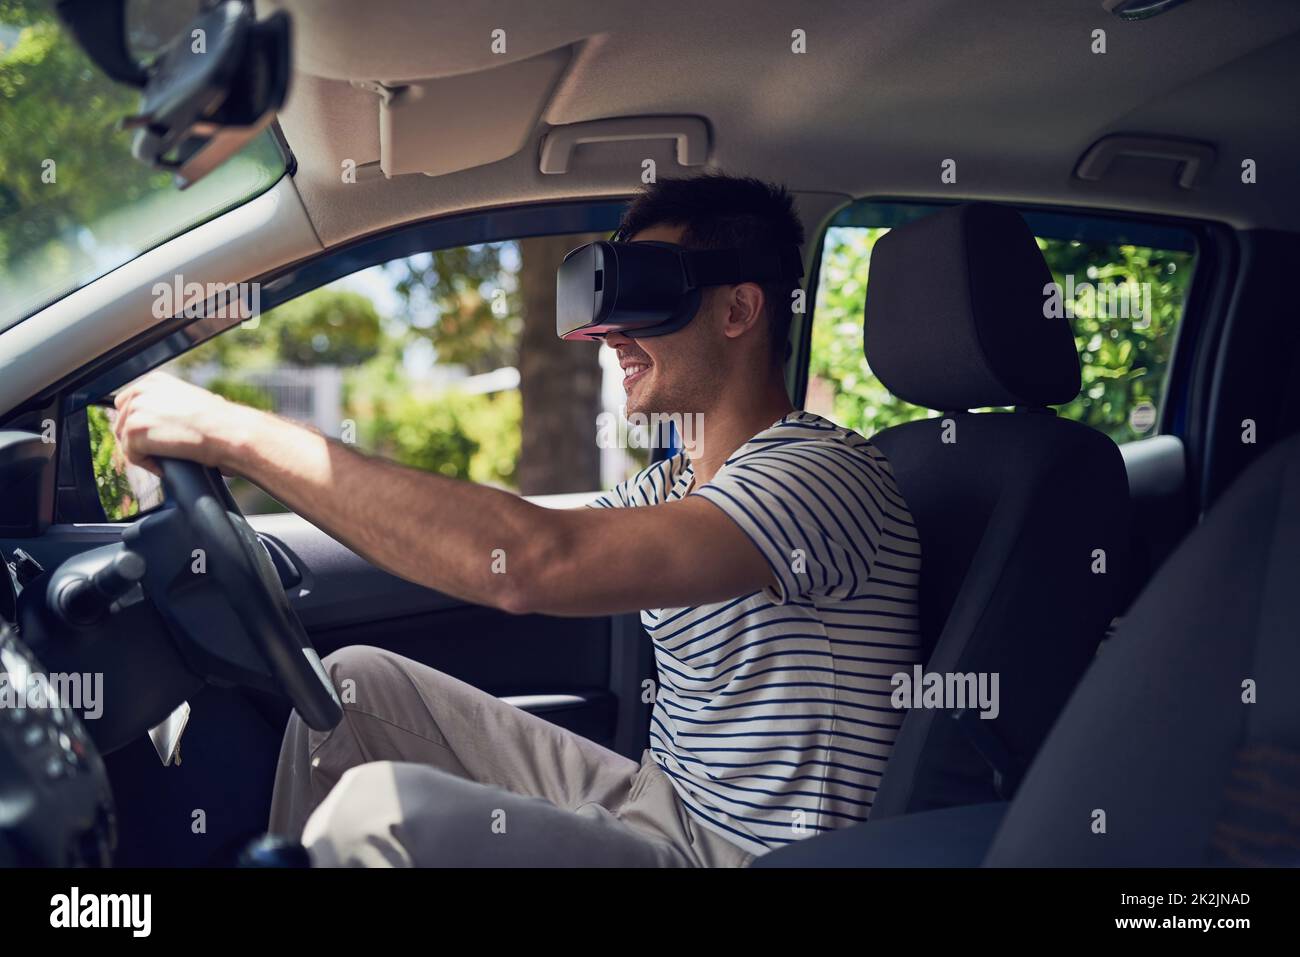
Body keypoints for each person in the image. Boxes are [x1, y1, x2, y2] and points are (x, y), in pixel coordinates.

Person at [113, 173, 922, 867]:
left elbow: (533, 560)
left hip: (745, 855)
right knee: (358, 685)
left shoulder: (821, 474)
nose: (606, 334)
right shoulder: (676, 482)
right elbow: (483, 541)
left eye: (640, 295)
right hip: (659, 800)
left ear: (740, 309)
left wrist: (240, 434)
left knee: (376, 812)